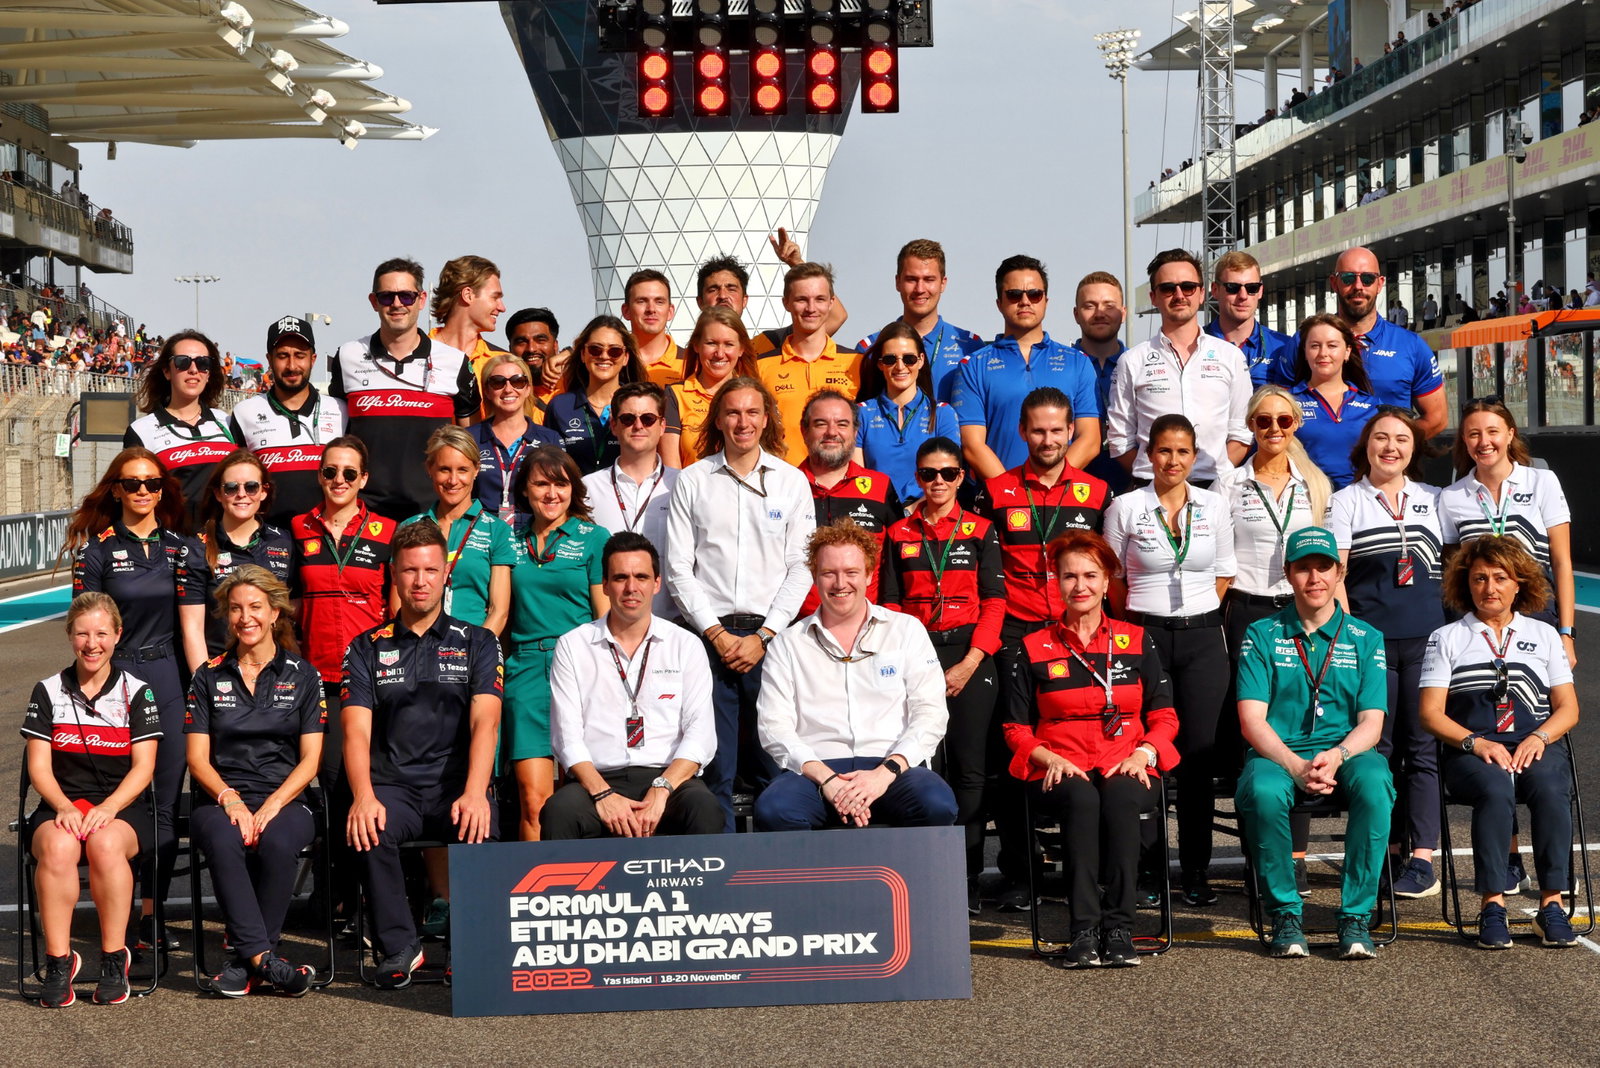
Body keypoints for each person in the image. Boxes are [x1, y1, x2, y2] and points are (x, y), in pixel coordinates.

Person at [1003, 530, 1180, 967]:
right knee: (1081, 801)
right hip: (1059, 764)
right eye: (1068, 577)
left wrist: (1145, 753)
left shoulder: (1136, 640)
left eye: (1090, 576)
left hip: (1127, 761)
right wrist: (1047, 757)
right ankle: (1083, 930)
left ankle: (1119, 927)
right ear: (1055, 583)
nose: (1079, 586)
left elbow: (1165, 716)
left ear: (1107, 582)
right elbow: (1013, 727)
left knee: (1120, 799)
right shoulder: (1032, 647)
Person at [341, 521, 503, 989]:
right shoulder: (366, 647)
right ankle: (398, 947)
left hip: (456, 784)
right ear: (394, 573)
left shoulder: (478, 642)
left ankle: (467, 945)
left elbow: (485, 722)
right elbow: (354, 732)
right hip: (394, 786)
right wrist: (363, 796)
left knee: (482, 824)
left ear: (444, 575)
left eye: (431, 569)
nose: (420, 580)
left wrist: (476, 792)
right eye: (410, 570)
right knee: (370, 827)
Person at [66, 448, 207, 953]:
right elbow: (87, 627)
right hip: (113, 676)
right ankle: (116, 914)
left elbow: (192, 629)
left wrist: (204, 687)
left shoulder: (184, 548)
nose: (143, 490)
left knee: (164, 803)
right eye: (132, 483)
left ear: (163, 489)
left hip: (167, 675)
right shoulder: (95, 551)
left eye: (152, 482)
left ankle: (152, 915)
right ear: (117, 490)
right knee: (119, 796)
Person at [978, 386, 1110, 910]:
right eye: (1038, 430)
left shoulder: (1096, 492)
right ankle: (1019, 871)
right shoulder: (997, 489)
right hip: (1017, 630)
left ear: (1071, 431)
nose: (1048, 439)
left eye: (1058, 430)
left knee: (1085, 745)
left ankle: (1091, 867)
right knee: (1013, 748)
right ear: (1022, 432)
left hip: (1077, 632)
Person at [1235, 527, 1394, 960]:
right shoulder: (1261, 633)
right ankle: (1286, 913)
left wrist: (1339, 755)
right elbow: (1251, 720)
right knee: (1263, 791)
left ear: (1339, 571)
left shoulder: (1366, 638)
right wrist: (1294, 765)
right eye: (1303, 567)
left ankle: (1355, 916)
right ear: (1288, 574)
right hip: (1277, 753)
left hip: (1345, 753)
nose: (1314, 577)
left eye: (1323, 567)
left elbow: (1372, 724)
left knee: (1377, 782)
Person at [665, 377, 815, 829]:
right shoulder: (693, 480)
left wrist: (764, 636)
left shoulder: (791, 482)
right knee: (715, 768)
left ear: (766, 419)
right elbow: (677, 568)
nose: (742, 422)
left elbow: (801, 566)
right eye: (732, 412)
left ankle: (778, 874)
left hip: (773, 640)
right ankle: (724, 875)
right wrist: (716, 633)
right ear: (718, 420)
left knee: (776, 763)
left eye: (752, 412)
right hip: (708, 639)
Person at [1419, 536, 1580, 948]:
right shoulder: (1446, 637)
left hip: (1535, 745)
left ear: (1519, 583)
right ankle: (1493, 905)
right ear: (1465, 584)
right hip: (1473, 749)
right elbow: (1431, 713)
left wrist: (1541, 736)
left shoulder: (1544, 635)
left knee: (1549, 787)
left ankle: (1552, 906)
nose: (1489, 587)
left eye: (1500, 578)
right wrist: (1476, 743)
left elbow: (1568, 708)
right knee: (1494, 788)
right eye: (1479, 579)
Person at [1104, 414, 1236, 907]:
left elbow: (1223, 574)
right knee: (1146, 752)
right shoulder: (1125, 506)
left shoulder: (1213, 505)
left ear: (1194, 454)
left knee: (1198, 758)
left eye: (1183, 451)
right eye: (1164, 451)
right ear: (1148, 454)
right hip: (1145, 634)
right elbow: (1113, 581)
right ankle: (1147, 869)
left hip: (1203, 637)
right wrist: (1142, 626)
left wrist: (1195, 616)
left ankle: (1196, 869)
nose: (1173, 461)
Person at [754, 520, 956, 831]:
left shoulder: (906, 630)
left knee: (936, 804)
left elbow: (930, 713)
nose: (840, 583)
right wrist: (828, 780)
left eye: (850, 573)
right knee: (774, 810)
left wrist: (884, 774)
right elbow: (774, 726)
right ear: (814, 577)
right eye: (828, 573)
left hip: (892, 766)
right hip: (815, 772)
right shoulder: (787, 643)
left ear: (869, 575)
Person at [1329, 408, 1455, 899]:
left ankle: (1421, 858)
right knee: (1377, 750)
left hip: (1428, 643)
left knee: (1422, 750)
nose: (1391, 447)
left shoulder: (1436, 499)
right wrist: (1352, 640)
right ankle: (1379, 848)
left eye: (1402, 439)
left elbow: (1453, 570)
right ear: (1366, 445)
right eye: (1381, 437)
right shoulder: (1346, 502)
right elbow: (1337, 579)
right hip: (1373, 645)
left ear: (1413, 449)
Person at [879, 437, 1005, 911]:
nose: (937, 482)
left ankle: (967, 879)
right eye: (928, 474)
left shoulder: (979, 528)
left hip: (971, 651)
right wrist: (918, 662)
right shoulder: (899, 532)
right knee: (922, 766)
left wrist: (971, 662)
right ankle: (922, 875)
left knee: (971, 771)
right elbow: (889, 604)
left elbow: (995, 601)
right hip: (917, 651)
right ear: (917, 475)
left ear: (961, 477)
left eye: (948, 474)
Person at [186, 566, 324, 997]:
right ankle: (266, 960)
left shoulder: (304, 675)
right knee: (226, 840)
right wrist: (230, 801)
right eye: (235, 609)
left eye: (255, 607)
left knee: (279, 842)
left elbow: (311, 760)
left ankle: (244, 961)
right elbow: (196, 758)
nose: (245, 617)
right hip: (220, 797)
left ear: (275, 612)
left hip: (286, 797)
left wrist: (272, 806)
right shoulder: (207, 674)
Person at [22, 592, 159, 1008]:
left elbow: (143, 769)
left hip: (121, 806)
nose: (92, 643)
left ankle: (114, 959)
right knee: (61, 848)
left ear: (118, 635)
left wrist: (109, 808)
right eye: (82, 634)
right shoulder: (46, 690)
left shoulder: (138, 692)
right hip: (60, 804)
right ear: (69, 637)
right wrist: (63, 806)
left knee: (104, 843)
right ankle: (59, 962)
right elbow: (38, 769)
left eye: (101, 633)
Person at [543, 532, 722, 839]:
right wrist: (603, 795)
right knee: (559, 811)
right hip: (597, 780)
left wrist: (662, 790)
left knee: (704, 807)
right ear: (605, 584)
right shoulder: (573, 646)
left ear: (656, 583)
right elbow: (566, 739)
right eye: (620, 577)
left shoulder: (686, 645)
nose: (631, 587)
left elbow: (701, 735)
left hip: (669, 778)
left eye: (641, 576)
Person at [504, 446, 610, 840]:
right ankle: (537, 895)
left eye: (561, 483)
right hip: (526, 671)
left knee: (586, 795)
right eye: (541, 483)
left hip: (581, 668)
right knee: (534, 799)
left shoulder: (595, 538)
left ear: (573, 489)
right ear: (525, 491)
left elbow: (604, 618)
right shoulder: (507, 538)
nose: (552, 493)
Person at [330, 256, 479, 520]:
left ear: (421, 299)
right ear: (374, 301)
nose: (397, 304)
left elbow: (470, 445)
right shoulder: (348, 355)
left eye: (406, 296)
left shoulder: (454, 361)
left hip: (433, 510)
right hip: (365, 511)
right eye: (387, 297)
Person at [1440, 398, 1575, 674]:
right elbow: (1452, 569)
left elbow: (1562, 563)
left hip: (1537, 611)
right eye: (1474, 434)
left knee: (1539, 703)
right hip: (1479, 618)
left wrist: (1567, 633)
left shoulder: (1542, 482)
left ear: (1510, 434)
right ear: (1464, 440)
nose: (1484, 442)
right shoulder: (1450, 497)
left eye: (1493, 431)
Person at [1107, 249, 1252, 486]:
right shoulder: (1132, 360)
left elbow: (1242, 433)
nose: (1179, 295)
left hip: (1214, 487)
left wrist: (1218, 477)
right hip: (1151, 487)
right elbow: (1119, 440)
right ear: (1153, 297)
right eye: (1167, 288)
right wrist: (1160, 478)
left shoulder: (1230, 356)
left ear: (1202, 293)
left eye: (1188, 287)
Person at [952, 254, 1101, 479]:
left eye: (1034, 294)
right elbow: (973, 446)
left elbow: (1089, 440)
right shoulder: (973, 366)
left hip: (1063, 499)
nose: (1025, 301)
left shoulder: (1078, 362)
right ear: (999, 303)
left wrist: (1051, 483)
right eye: (1014, 295)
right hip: (999, 501)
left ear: (1046, 301)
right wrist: (1012, 494)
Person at [1270, 248, 1446, 438]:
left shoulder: (1411, 345)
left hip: (1386, 465)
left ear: (1380, 284)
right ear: (1334, 283)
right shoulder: (1303, 341)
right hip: (1316, 465)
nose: (1358, 286)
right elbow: (1277, 412)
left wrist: (1393, 444)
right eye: (1348, 278)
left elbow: (1436, 418)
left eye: (1368, 278)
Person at [228, 316, 347, 528]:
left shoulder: (340, 410)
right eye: (283, 356)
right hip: (267, 543)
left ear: (313, 358)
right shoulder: (244, 413)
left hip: (329, 540)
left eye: (299, 355)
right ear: (269, 359)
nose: (292, 366)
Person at [399, 426, 514, 637]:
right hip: (417, 651)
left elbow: (499, 611)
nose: (453, 480)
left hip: (473, 654)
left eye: (462, 470)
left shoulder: (497, 530)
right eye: (444, 469)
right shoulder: (409, 527)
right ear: (429, 469)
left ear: (476, 470)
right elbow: (398, 603)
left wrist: (474, 655)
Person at [796, 389, 899, 614]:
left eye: (842, 424)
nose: (832, 432)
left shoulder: (880, 487)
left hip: (867, 627)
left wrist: (891, 617)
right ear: (804, 431)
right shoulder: (785, 486)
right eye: (821, 424)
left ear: (855, 432)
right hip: (797, 629)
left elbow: (896, 566)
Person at [583, 381, 678, 620]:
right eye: (627, 419)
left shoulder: (683, 485)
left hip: (674, 627)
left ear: (662, 425)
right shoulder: (587, 488)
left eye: (648, 419)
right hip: (607, 627)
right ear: (614, 425)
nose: (638, 426)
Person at [124, 330, 236, 529]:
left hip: (227, 549)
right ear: (167, 371)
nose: (193, 370)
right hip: (172, 549)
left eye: (203, 363)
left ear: (209, 373)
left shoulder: (228, 423)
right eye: (183, 362)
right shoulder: (142, 431)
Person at [756, 262, 862, 465]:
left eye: (819, 299)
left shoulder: (856, 362)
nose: (811, 308)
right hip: (781, 486)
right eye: (801, 300)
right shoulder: (761, 366)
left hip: (840, 486)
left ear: (831, 302)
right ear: (786, 302)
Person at [853, 239, 984, 402]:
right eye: (911, 279)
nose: (920, 289)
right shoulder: (870, 349)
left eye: (929, 279)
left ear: (943, 283)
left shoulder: (970, 347)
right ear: (897, 282)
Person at [192, 449, 295, 656]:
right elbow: (192, 629)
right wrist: (204, 682)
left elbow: (292, 609)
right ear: (218, 494)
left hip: (276, 666)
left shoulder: (282, 540)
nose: (241, 494)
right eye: (231, 488)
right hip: (219, 669)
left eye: (251, 487)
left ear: (263, 492)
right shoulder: (196, 547)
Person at [853, 321, 961, 504]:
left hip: (927, 519)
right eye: (890, 359)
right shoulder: (861, 414)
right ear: (880, 364)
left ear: (921, 360)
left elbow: (949, 479)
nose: (900, 366)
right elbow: (857, 479)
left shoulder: (943, 414)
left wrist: (911, 512)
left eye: (909, 359)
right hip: (876, 516)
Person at [544, 314, 650, 476]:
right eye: (595, 349)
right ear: (582, 354)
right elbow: (548, 464)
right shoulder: (560, 406)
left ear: (625, 357)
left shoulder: (641, 405)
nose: (604, 356)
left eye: (614, 351)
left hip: (625, 499)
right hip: (574, 500)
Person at [1286, 314, 1380, 489]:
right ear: (1305, 352)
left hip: (1359, 502)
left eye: (1332, 346)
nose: (1323, 353)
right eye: (1315, 346)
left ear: (1347, 351)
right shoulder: (1287, 403)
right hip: (1306, 502)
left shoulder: (1372, 406)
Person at [468, 351, 563, 522]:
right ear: (487, 391)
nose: (508, 389)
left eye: (518, 381)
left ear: (528, 389)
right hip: (480, 535)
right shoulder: (470, 438)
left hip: (533, 535)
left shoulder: (550, 439)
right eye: (498, 382)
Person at [663, 306, 761, 468]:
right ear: (696, 346)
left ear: (741, 349)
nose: (720, 353)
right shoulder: (676, 395)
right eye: (711, 343)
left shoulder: (756, 396)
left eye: (729, 344)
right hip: (692, 492)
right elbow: (672, 471)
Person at [1071, 271, 1131, 492]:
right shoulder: (1062, 368)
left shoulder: (1139, 366)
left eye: (1109, 305)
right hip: (1072, 490)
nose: (1100, 313)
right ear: (1076, 314)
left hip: (1133, 488)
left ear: (1123, 313)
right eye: (1090, 306)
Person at [428, 255, 507, 422]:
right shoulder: (418, 355)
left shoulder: (503, 362)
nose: (502, 307)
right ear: (468, 294)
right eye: (495, 297)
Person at [1205, 251, 1293, 388]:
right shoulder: (1194, 345)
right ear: (1215, 290)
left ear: (1260, 291)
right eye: (1233, 288)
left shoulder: (1285, 347)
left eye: (1252, 288)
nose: (1243, 296)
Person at [621, 268, 685, 387]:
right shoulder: (612, 359)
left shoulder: (691, 363)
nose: (651, 309)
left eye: (659, 302)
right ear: (626, 311)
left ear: (670, 311)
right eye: (641, 301)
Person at [504, 307, 560, 381]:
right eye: (522, 342)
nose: (531, 349)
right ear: (510, 348)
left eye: (540, 340)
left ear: (555, 345)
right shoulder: (499, 388)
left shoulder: (574, 384)